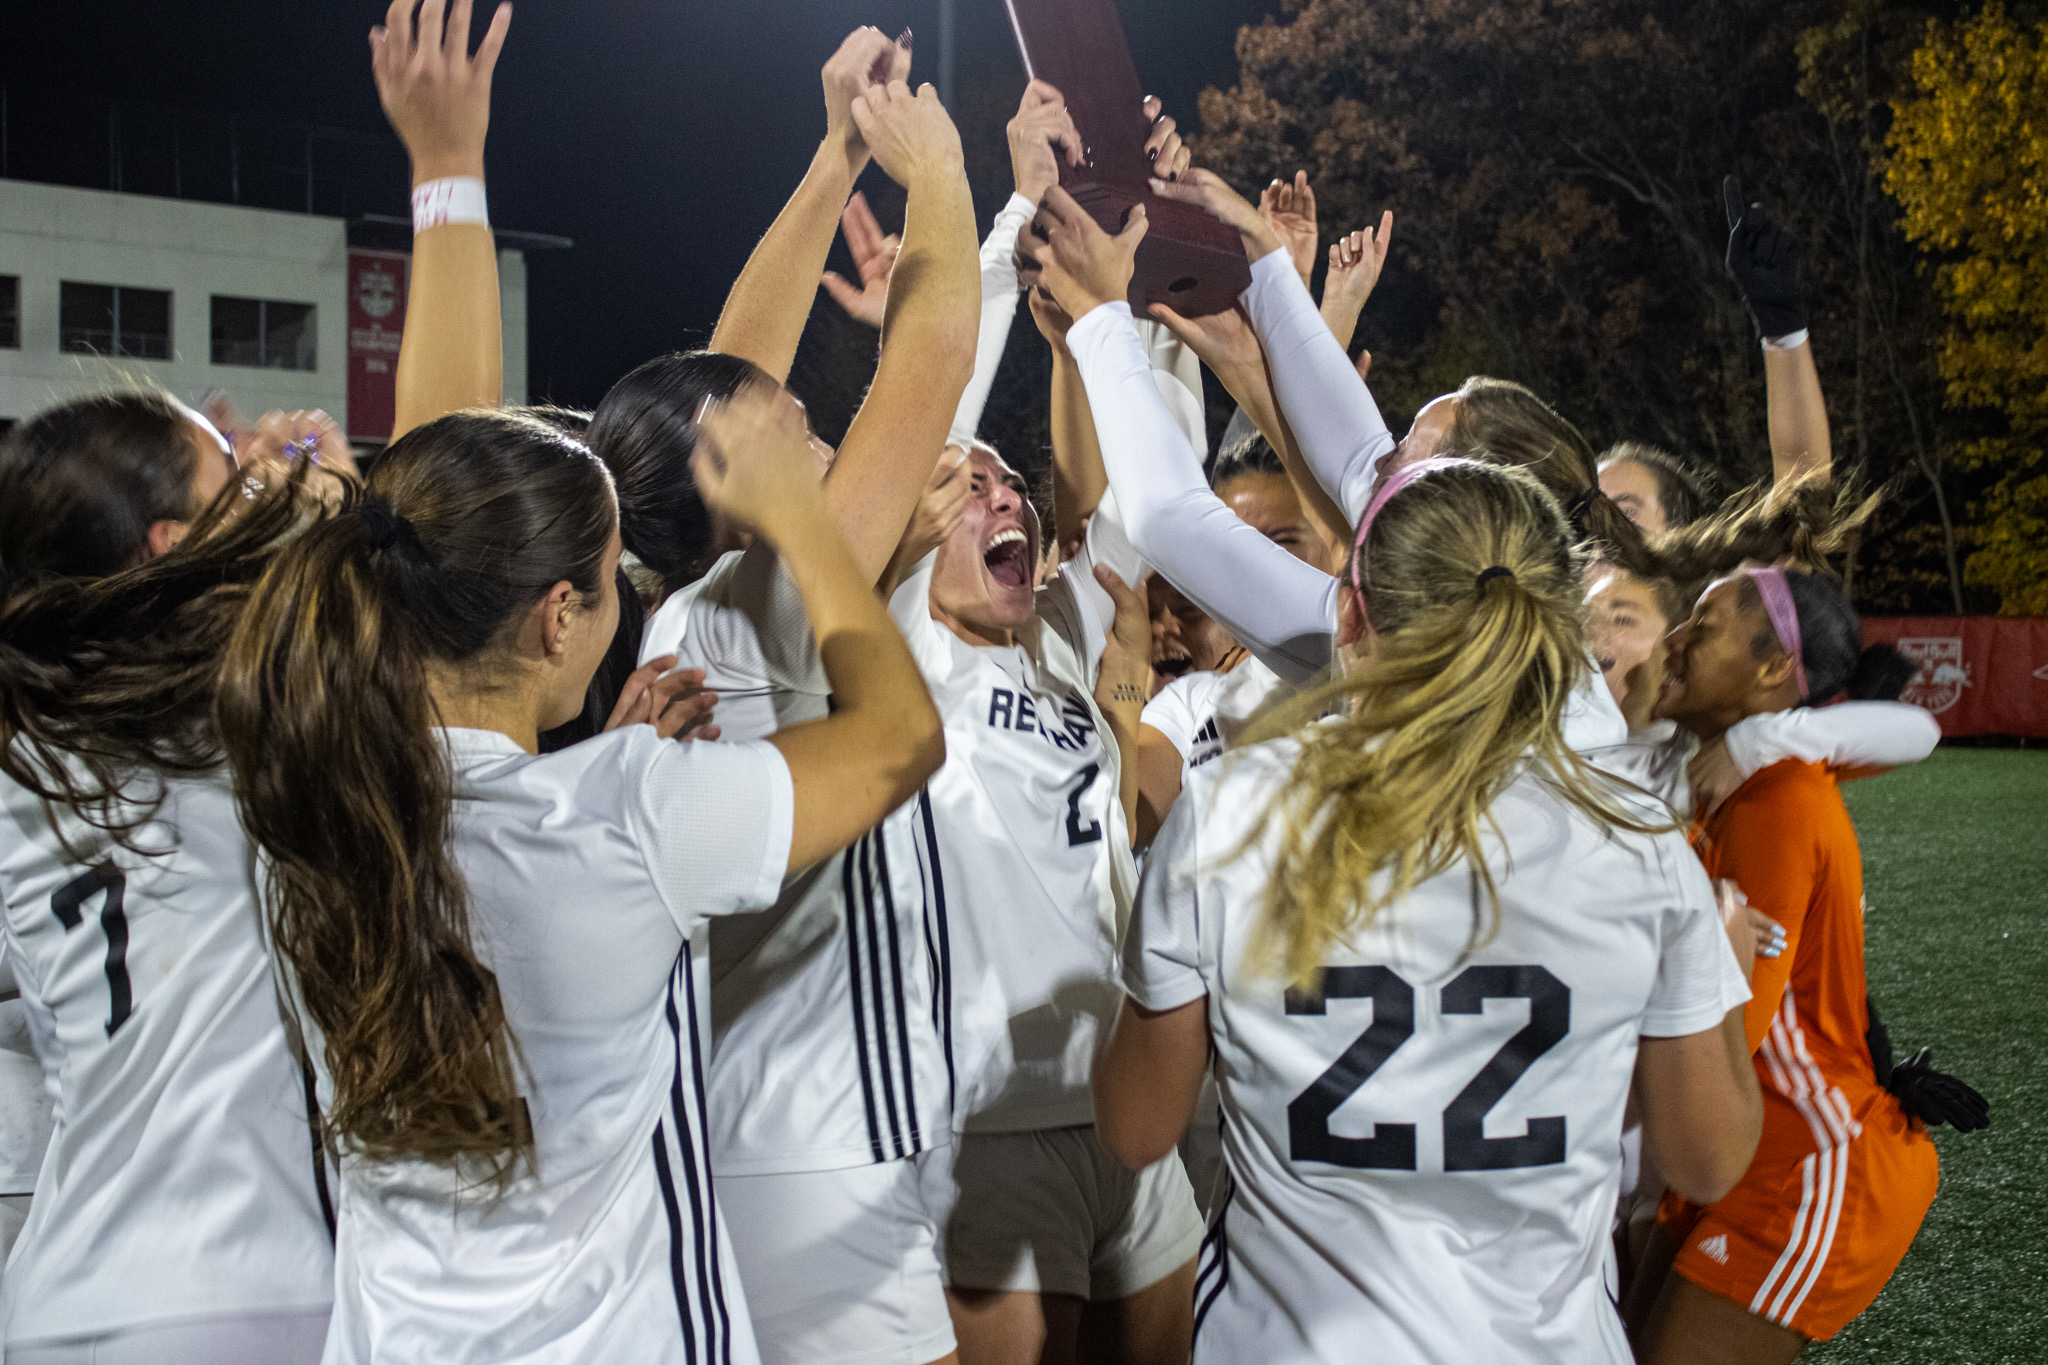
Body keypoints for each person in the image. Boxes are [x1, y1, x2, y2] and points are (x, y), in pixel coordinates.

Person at [217, 379, 943, 1364]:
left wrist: (602, 769)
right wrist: (800, 521)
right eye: (613, 577)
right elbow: (899, 739)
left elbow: (500, 871)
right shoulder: (628, 811)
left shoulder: (300, 824)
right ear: (557, 618)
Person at [1094, 456, 1762, 1363]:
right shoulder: (1638, 838)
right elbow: (1706, 1160)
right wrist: (1726, 985)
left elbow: (1135, 1129)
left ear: (1351, 613)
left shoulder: (1235, 807)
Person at [607, 38, 984, 1365]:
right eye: (780, 428)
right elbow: (931, 354)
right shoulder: (763, 595)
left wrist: (831, 158)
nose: (806, 424)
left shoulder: (694, 602)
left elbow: (721, 369)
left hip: (768, 1122)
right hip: (827, 1129)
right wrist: (936, 173)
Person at [1631, 567, 1948, 1362]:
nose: (1676, 640)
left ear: (1774, 667)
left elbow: (1731, 1031)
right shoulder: (1732, 775)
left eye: (1701, 628)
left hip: (1805, 1164)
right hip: (1745, 1153)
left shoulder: (1775, 798)